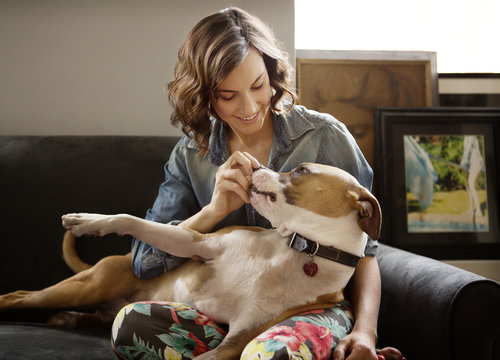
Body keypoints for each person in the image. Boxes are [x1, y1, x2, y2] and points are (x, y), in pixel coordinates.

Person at [113, 7, 404, 360]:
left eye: (257, 86)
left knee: (271, 355)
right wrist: (213, 211)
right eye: (227, 94)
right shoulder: (191, 156)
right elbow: (144, 263)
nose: (249, 107)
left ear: (272, 74)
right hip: (221, 315)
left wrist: (364, 333)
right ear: (205, 93)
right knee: (132, 326)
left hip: (305, 315)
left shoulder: (325, 138)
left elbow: (367, 254)